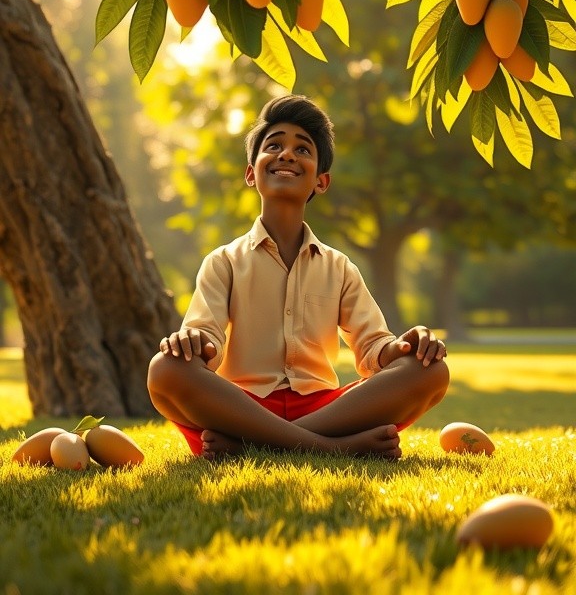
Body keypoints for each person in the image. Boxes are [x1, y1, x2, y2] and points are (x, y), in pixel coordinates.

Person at [147, 95, 449, 460]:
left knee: (430, 372)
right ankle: (333, 449)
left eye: (302, 149)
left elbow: (374, 349)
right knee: (164, 370)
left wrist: (406, 347)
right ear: (250, 172)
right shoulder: (223, 261)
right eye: (273, 145)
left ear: (321, 182)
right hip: (241, 409)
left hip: (323, 410)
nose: (287, 154)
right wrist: (193, 341)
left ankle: (253, 449)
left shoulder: (339, 268)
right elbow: (207, 342)